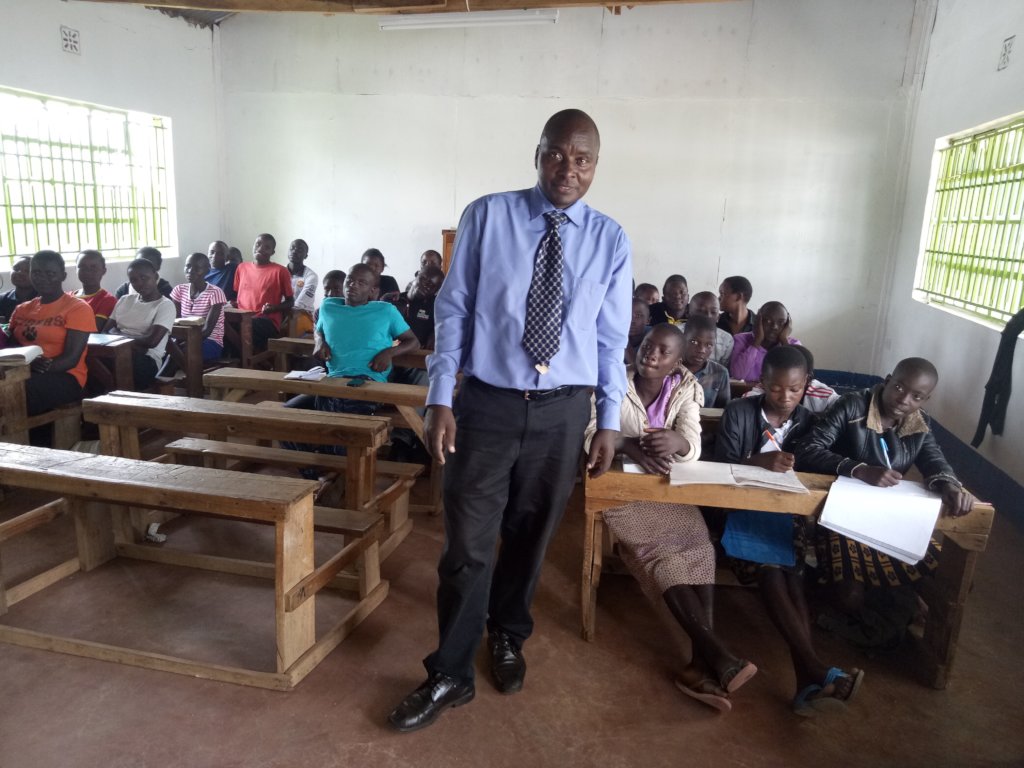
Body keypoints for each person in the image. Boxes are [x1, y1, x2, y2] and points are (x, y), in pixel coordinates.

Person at [388, 108, 631, 733]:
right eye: (557, 154)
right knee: (467, 546)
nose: (568, 169)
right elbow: (454, 308)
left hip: (564, 411)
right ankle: (450, 671)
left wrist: (608, 420)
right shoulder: (488, 216)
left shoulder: (610, 239)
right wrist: (440, 396)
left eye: (582, 159)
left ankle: (507, 634)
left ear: (596, 166)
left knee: (531, 536)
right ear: (538, 154)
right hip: (488, 405)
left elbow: (611, 339)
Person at [586, 324, 755, 713]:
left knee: (699, 549)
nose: (652, 355)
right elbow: (591, 432)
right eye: (648, 346)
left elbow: (692, 445)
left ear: (677, 362)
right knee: (659, 555)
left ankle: (703, 662)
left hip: (667, 488)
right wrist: (626, 443)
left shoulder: (686, 390)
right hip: (621, 489)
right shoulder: (613, 380)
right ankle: (716, 655)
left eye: (664, 352)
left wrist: (679, 442)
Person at [716, 345, 862, 716]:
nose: (785, 396)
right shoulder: (739, 412)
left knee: (793, 577)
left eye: (795, 389)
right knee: (772, 570)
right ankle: (812, 670)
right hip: (739, 511)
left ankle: (808, 678)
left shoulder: (811, 424)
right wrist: (758, 461)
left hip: (785, 516)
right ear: (762, 382)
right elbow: (720, 468)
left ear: (806, 385)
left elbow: (816, 469)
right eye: (776, 388)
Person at [795, 357, 975, 643]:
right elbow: (807, 449)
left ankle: (893, 604)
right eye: (899, 387)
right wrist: (858, 469)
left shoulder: (919, 422)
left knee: (953, 576)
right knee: (849, 598)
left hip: (890, 517)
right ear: (888, 380)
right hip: (843, 515)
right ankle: (890, 606)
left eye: (916, 396)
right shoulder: (852, 406)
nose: (904, 400)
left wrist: (949, 484)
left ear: (925, 400)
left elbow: (934, 461)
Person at [7, 250, 94, 444]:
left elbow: (70, 359)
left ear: (63, 276)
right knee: (11, 389)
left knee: (16, 392)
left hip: (65, 377)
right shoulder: (22, 309)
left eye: (50, 273)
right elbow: (11, 349)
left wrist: (30, 370)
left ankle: (19, 447)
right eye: (37, 273)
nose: (43, 278)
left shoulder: (77, 308)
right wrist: (25, 367)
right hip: (24, 372)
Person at [101, 258, 176, 390]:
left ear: (155, 276)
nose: (139, 283)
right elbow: (105, 332)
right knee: (91, 362)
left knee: (121, 363)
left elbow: (151, 342)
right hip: (118, 352)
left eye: (144, 278)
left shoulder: (165, 305)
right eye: (134, 280)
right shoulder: (124, 300)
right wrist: (135, 343)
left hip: (147, 360)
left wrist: (118, 335)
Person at [164, 252, 227, 369]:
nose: (190, 271)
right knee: (165, 350)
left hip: (210, 342)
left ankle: (163, 379)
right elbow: (175, 323)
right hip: (183, 339)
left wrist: (187, 341)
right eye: (188, 266)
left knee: (178, 353)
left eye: (197, 268)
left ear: (207, 270)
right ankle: (162, 379)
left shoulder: (215, 293)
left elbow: (207, 330)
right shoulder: (179, 290)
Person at [233, 233, 294, 352]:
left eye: (267, 247)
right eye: (258, 244)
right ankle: (237, 358)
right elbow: (238, 296)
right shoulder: (241, 268)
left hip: (266, 320)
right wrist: (233, 303)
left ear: (272, 252)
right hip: (242, 317)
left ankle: (244, 359)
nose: (260, 248)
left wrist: (274, 308)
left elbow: (290, 302)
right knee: (222, 324)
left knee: (244, 326)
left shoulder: (280, 271)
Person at [743, 345, 839, 415]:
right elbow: (745, 405)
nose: (785, 398)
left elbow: (846, 408)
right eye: (776, 389)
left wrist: (811, 419)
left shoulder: (821, 394)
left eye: (794, 389)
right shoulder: (765, 385)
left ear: (807, 380)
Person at [729, 301, 800, 383]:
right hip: (745, 391)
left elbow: (797, 377)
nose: (775, 327)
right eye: (768, 321)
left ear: (787, 325)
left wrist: (784, 342)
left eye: (781, 322)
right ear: (758, 320)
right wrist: (756, 342)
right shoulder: (740, 340)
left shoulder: (793, 345)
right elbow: (738, 375)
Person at [682, 315, 730, 409]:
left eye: (709, 345)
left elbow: (723, 410)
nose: (702, 350)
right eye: (694, 342)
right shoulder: (670, 368)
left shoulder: (720, 373)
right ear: (683, 339)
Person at [70, 250, 117, 331]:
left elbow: (93, 329)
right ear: (76, 269)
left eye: (93, 267)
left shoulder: (107, 300)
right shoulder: (67, 297)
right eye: (82, 266)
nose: (87, 271)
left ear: (103, 271)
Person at [686, 291, 733, 367]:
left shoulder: (726, 340)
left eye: (713, 312)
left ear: (718, 317)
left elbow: (723, 369)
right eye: (701, 311)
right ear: (688, 312)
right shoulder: (676, 333)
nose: (708, 316)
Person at [287, 239, 318, 337]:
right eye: (292, 248)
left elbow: (299, 305)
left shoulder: (311, 276)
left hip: (303, 314)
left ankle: (290, 346)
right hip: (281, 311)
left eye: (300, 250)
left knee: (293, 317)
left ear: (306, 256)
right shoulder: (280, 272)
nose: (294, 251)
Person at [0, 256, 38, 322]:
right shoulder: (2, 299)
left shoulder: (45, 299)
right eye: (16, 269)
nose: (20, 273)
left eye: (27, 270)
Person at [624, 298, 650, 366]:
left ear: (648, 320)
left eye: (638, 316)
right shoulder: (612, 334)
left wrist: (623, 339)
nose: (632, 320)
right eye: (627, 314)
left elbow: (638, 367)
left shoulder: (655, 336)